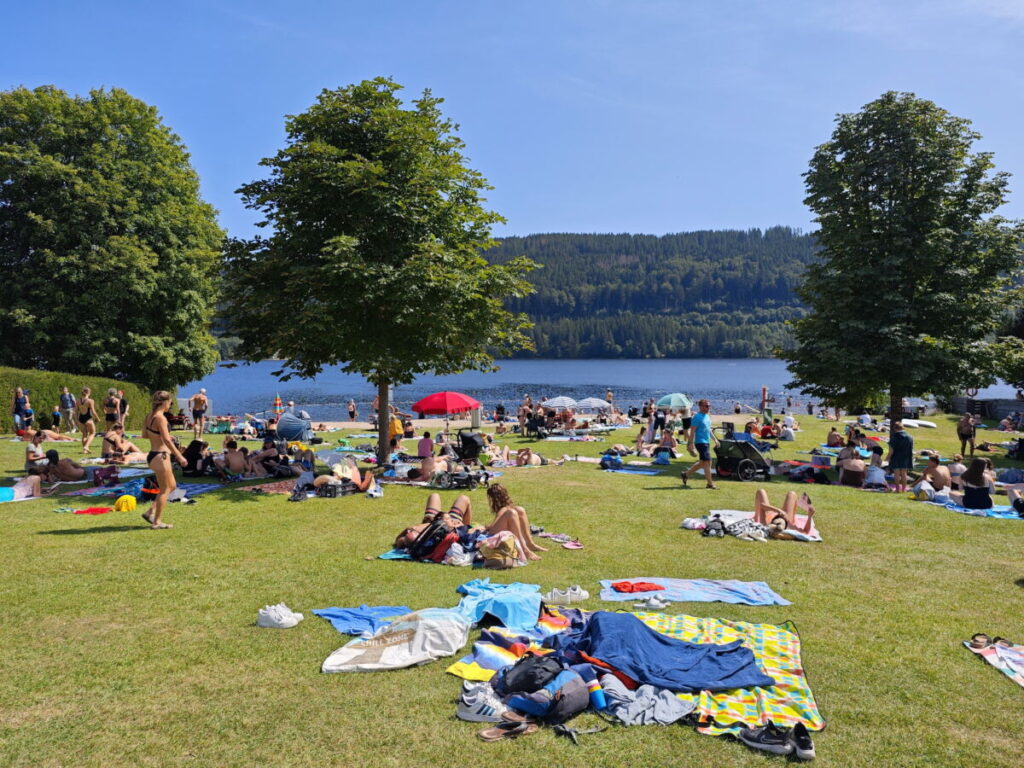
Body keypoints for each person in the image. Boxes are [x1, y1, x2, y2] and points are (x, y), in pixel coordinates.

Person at [142, 390, 187, 529]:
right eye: (170, 402)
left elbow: (144, 435)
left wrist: (160, 435)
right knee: (165, 490)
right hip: (161, 456)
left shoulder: (150, 415)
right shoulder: (161, 418)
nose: (170, 405)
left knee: (172, 486)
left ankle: (150, 512)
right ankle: (157, 522)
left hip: (153, 455)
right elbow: (167, 441)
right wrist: (179, 456)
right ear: (165, 402)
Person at [682, 398, 719, 490]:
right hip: (700, 443)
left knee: (703, 463)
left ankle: (685, 474)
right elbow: (692, 431)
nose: (708, 407)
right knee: (707, 462)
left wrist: (715, 439)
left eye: (709, 406)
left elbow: (709, 430)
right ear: (701, 407)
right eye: (707, 406)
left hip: (706, 442)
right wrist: (690, 444)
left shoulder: (707, 416)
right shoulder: (696, 417)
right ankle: (710, 484)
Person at [885, 421, 914, 494]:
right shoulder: (910, 437)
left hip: (896, 457)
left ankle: (897, 490)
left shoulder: (894, 437)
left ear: (895, 428)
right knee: (904, 474)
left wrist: (886, 459)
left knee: (897, 474)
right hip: (906, 457)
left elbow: (891, 451)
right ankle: (904, 490)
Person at [77, 388, 99, 454]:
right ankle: (86, 446)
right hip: (88, 418)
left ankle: (85, 450)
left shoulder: (77, 400)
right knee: (92, 433)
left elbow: (75, 411)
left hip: (81, 418)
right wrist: (97, 418)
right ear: (89, 393)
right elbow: (93, 411)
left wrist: (76, 420)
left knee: (84, 434)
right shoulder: (90, 400)